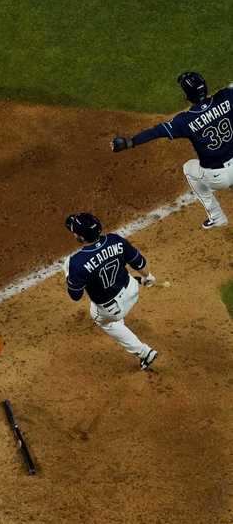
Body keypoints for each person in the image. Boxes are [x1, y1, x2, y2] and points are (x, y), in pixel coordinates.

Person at [112, 72, 233, 229]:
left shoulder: (184, 120)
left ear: (186, 96)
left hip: (218, 178)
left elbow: (156, 132)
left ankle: (217, 216)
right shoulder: (227, 96)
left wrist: (129, 142)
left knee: (189, 168)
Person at [63, 213, 158, 370]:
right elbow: (139, 262)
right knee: (118, 274)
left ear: (80, 238)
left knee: (102, 319)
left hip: (112, 310)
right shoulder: (115, 239)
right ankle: (137, 281)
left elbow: (75, 296)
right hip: (132, 291)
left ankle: (144, 352)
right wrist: (148, 276)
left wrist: (68, 272)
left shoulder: (76, 263)